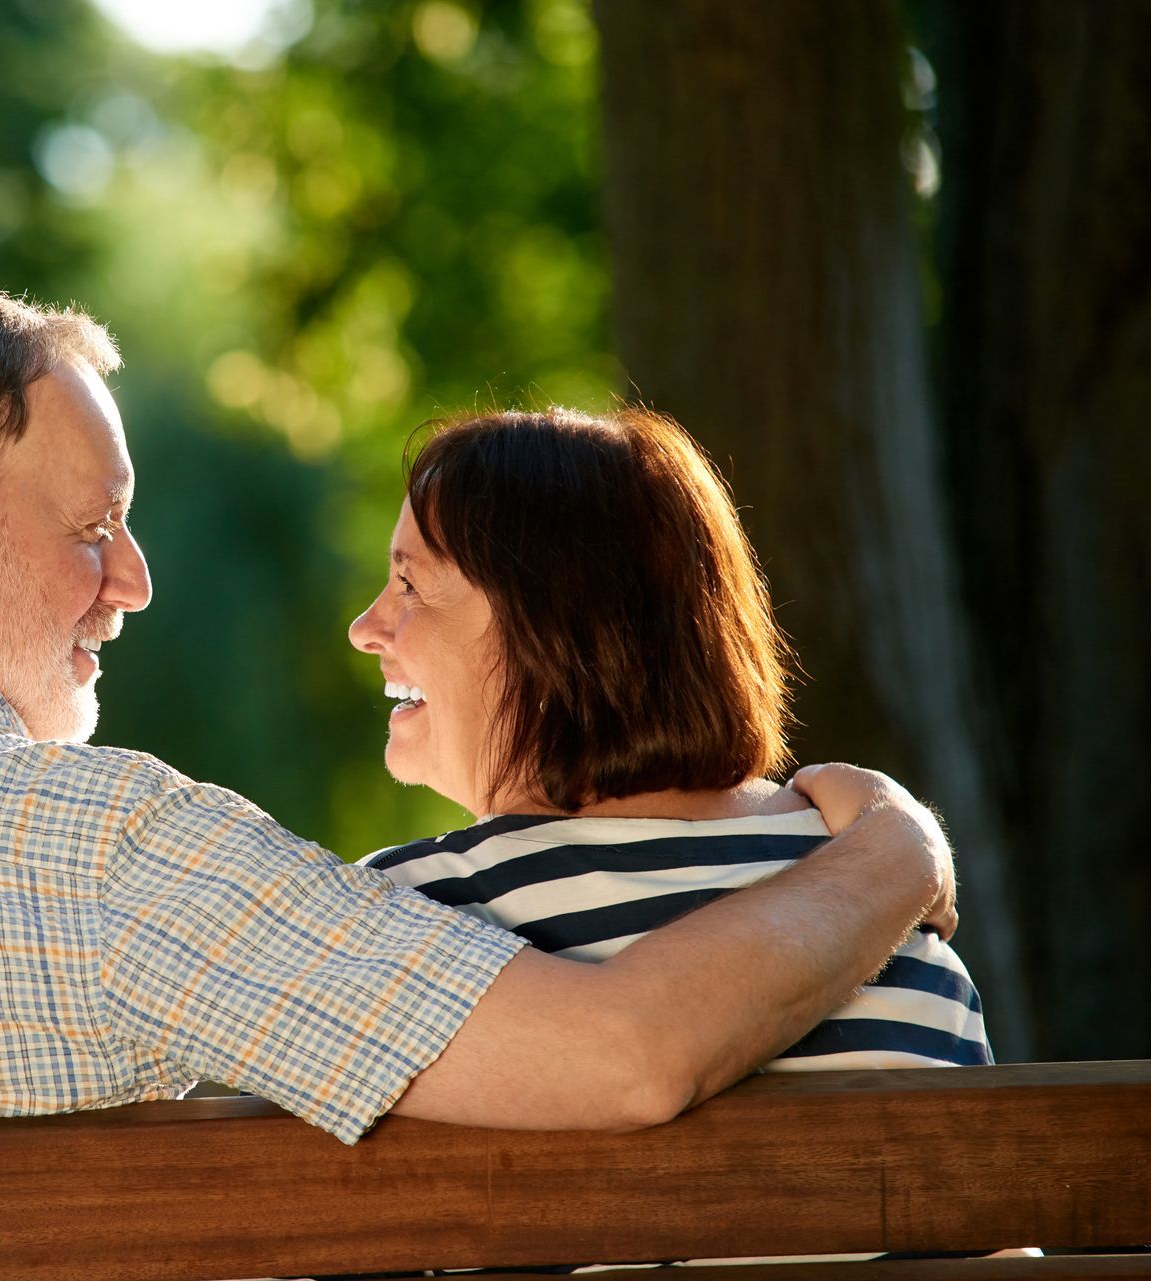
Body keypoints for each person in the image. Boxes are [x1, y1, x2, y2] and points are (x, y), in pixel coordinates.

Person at [0, 272, 956, 1144]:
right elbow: (624, 1058)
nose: (132, 581)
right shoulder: (112, 858)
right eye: (90, 529)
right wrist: (890, 849)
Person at [348, 406, 997, 1263]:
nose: (366, 627)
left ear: (555, 627)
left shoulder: (419, 912)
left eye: (410, 584)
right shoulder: (902, 934)